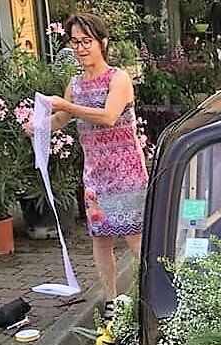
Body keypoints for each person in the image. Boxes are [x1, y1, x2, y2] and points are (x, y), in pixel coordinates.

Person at [26, 12, 148, 320]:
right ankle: (112, 301)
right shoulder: (75, 84)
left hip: (127, 175)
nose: (81, 48)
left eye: (87, 41)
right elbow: (61, 120)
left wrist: (65, 106)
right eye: (75, 41)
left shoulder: (118, 78)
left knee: (137, 240)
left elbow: (107, 116)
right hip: (95, 177)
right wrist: (39, 126)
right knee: (101, 240)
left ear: (102, 43)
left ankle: (152, 297)